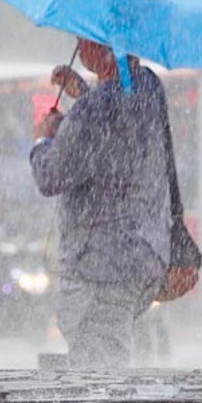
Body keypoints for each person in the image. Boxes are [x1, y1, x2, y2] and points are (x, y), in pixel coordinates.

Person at [30, 38, 170, 369]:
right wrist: (86, 93)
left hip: (100, 263)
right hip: (141, 254)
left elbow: (52, 176)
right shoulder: (148, 86)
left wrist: (43, 139)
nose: (79, 50)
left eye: (83, 41)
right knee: (112, 350)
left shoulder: (94, 112)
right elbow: (118, 129)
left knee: (100, 375)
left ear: (101, 47)